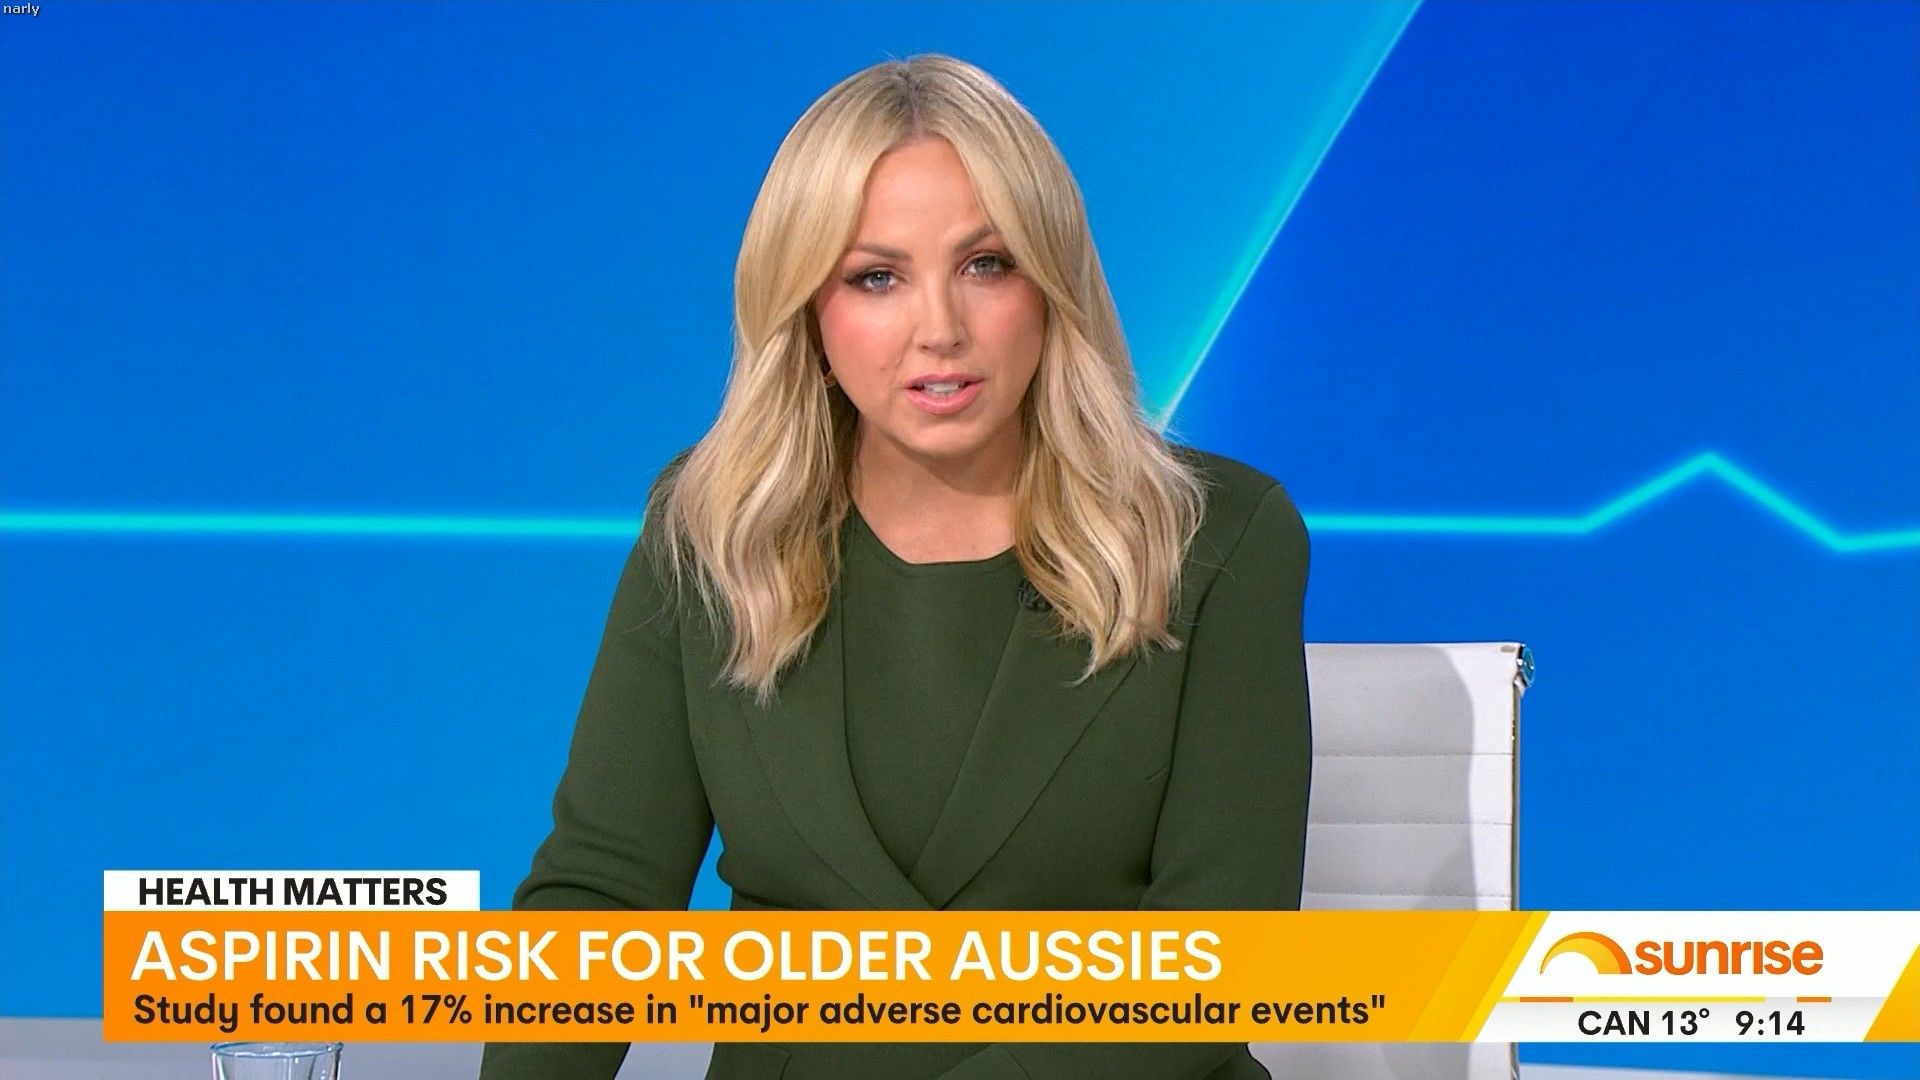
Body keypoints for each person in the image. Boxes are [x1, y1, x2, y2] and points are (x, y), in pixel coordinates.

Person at [479, 53, 1311, 1080]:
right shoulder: (709, 530)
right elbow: (603, 897)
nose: (940, 331)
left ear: (1051, 283)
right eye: (877, 277)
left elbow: (1214, 956)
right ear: (808, 309)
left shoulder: (1218, 536)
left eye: (987, 264)